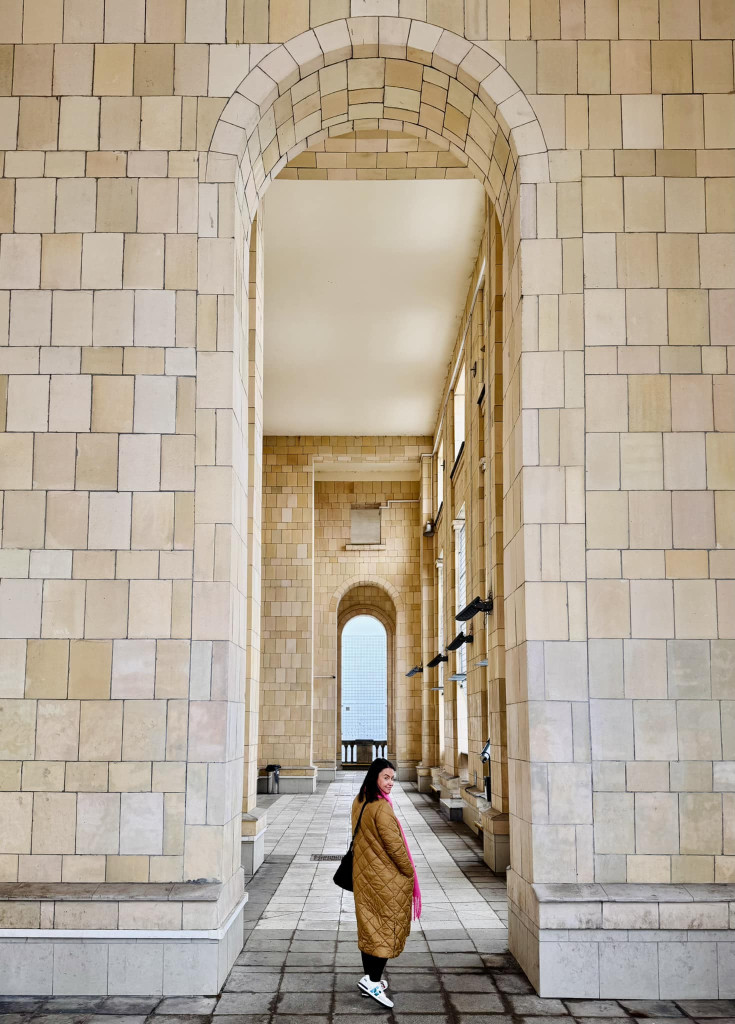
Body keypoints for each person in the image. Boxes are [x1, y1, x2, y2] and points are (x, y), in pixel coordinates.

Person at [351, 757, 421, 1008]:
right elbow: (396, 848)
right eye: (386, 777)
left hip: (365, 875)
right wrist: (409, 872)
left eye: (392, 778)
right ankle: (372, 982)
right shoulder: (381, 808)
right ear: (375, 777)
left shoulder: (360, 799)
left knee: (370, 928)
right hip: (383, 879)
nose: (391, 782)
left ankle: (369, 980)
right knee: (384, 929)